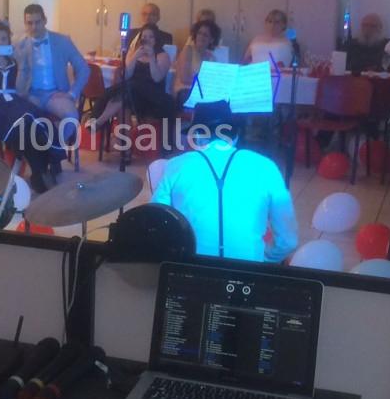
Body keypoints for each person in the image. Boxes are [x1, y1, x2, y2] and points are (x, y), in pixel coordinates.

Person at [152, 100, 299, 263]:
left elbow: (157, 223)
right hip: (249, 275)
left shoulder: (175, 166)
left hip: (191, 271)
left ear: (197, 136)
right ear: (235, 136)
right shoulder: (266, 167)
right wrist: (265, 260)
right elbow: (288, 242)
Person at [0, 20, 65, 193]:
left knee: (39, 119)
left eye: (3, 39)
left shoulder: (13, 59)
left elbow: (21, 91)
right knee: (25, 123)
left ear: (9, 41)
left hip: (15, 100)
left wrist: (23, 65)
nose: (0, 43)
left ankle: (42, 169)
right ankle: (41, 173)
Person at [90, 24, 178, 136]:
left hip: (153, 96)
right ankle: (122, 143)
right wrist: (135, 56)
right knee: (124, 94)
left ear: (156, 40)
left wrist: (151, 57)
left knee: (126, 88)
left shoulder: (162, 56)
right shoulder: (134, 52)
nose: (147, 39)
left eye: (151, 37)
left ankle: (98, 121)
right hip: (134, 95)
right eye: (144, 36)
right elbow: (126, 75)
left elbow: (157, 78)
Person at [15, 3, 89, 124]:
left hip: (55, 94)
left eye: (37, 22)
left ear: (45, 20)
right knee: (19, 121)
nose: (33, 27)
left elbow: (84, 69)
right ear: (25, 24)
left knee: (71, 117)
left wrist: (72, 93)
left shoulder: (62, 41)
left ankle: (56, 143)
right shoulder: (18, 44)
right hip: (30, 95)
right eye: (29, 23)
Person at [174, 18, 220, 106]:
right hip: (185, 90)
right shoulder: (188, 50)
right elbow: (184, 79)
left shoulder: (212, 58)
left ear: (211, 39)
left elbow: (213, 81)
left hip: (203, 92)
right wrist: (204, 86)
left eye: (205, 35)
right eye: (199, 33)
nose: (201, 37)